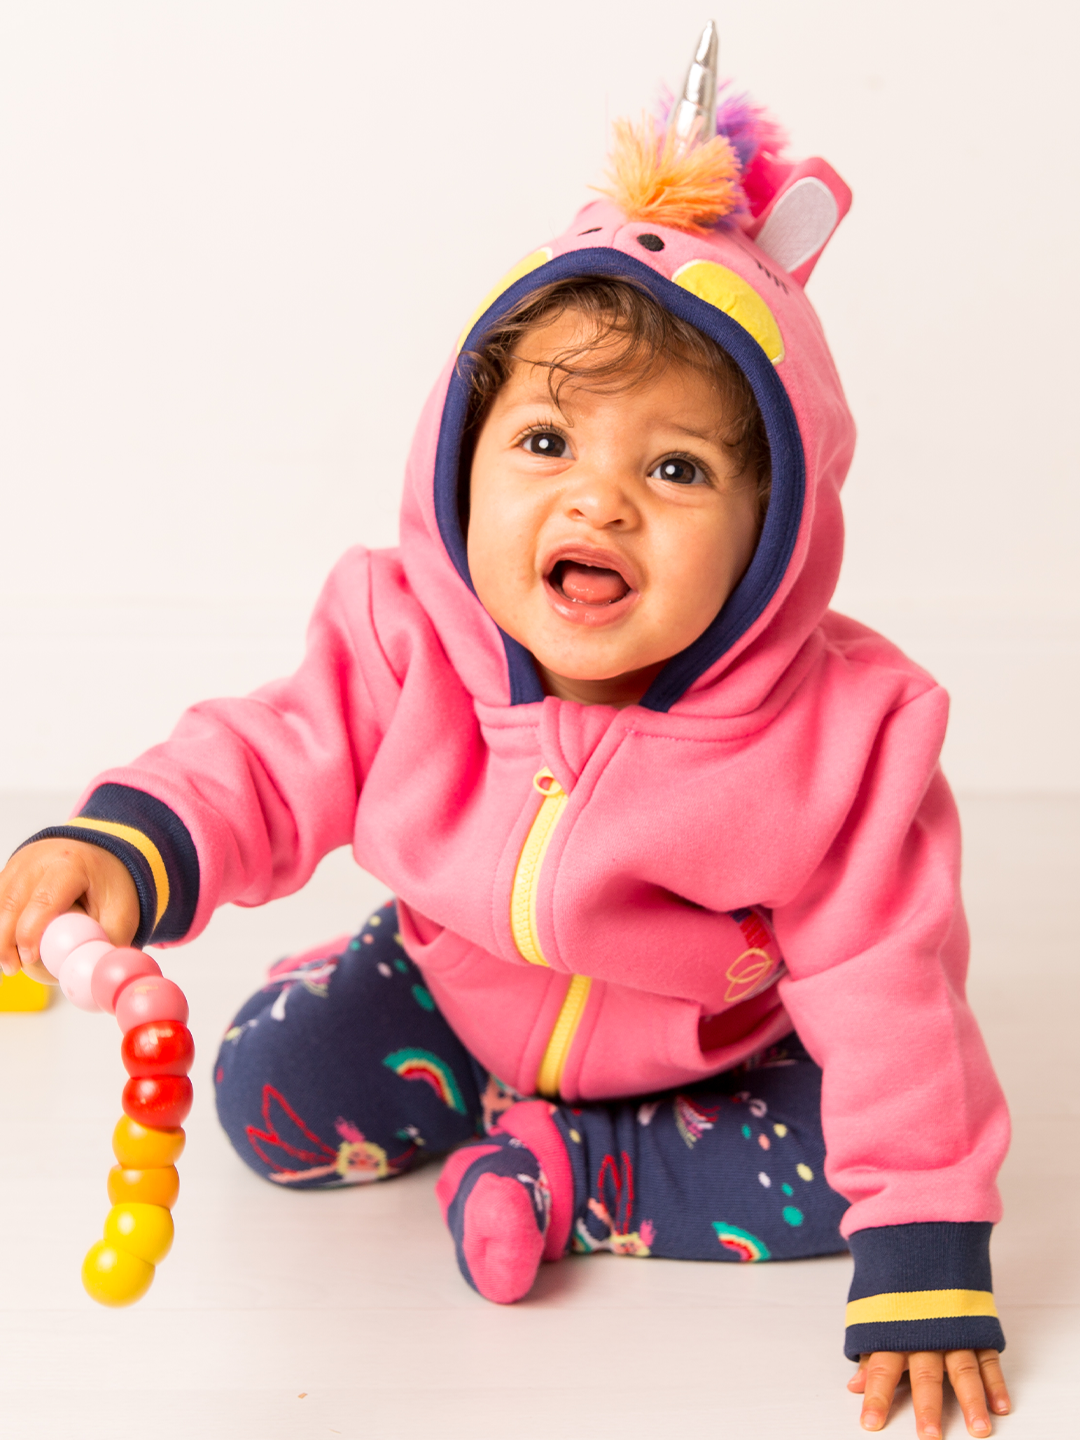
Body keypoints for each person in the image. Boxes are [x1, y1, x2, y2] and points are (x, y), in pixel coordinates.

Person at [0, 27, 1011, 1438]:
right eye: (546, 443)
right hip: (455, 986)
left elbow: (889, 987)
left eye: (676, 467)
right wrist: (129, 840)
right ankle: (454, 1054)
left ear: (777, 528)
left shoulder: (839, 741)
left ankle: (572, 1177)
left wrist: (925, 1239)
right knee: (264, 1095)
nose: (598, 502)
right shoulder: (404, 636)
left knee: (842, 1187)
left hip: (709, 1047)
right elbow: (270, 758)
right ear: (459, 459)